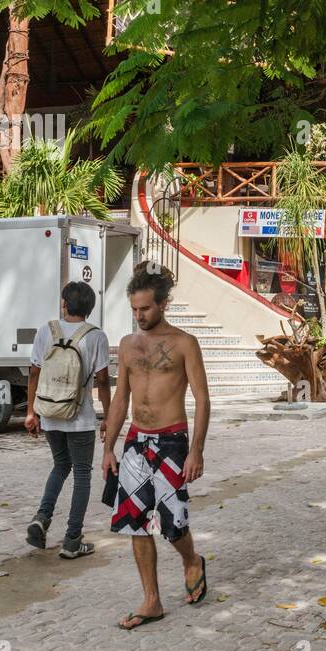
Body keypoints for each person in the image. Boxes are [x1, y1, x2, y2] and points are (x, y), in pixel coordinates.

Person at [101, 262, 210, 630]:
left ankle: (191, 560)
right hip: (135, 442)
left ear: (162, 303)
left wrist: (196, 450)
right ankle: (152, 600)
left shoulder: (184, 344)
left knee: (172, 524)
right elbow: (120, 400)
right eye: (134, 309)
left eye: (145, 308)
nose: (139, 316)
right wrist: (108, 448)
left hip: (172, 441)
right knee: (134, 523)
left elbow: (203, 399)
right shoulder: (128, 345)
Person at [24, 281, 111, 559]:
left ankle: (42, 517)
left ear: (64, 303)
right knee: (82, 474)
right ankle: (72, 540)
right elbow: (102, 381)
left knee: (60, 466)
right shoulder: (96, 336)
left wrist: (31, 411)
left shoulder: (45, 332)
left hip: (50, 414)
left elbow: (34, 372)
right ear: (90, 307)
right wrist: (108, 417)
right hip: (80, 417)